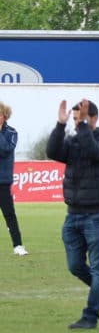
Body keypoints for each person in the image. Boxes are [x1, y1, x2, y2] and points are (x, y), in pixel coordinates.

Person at [46, 99, 99, 330]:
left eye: (81, 119)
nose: (77, 123)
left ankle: (90, 316)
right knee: (75, 266)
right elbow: (52, 151)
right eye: (75, 119)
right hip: (73, 215)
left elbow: (93, 150)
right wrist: (60, 125)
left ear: (94, 118)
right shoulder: (74, 140)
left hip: (97, 215)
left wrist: (81, 127)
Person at [0, 102, 26, 256]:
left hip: (3, 181)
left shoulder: (12, 132)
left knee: (9, 214)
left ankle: (18, 245)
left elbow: (6, 150)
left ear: (5, 116)